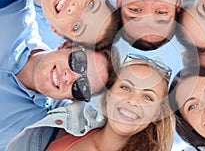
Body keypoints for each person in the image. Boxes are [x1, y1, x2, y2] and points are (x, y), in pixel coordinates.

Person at [0, 0, 115, 150]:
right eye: (78, 63)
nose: (70, 77)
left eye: (81, 88)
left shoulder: (26, 131)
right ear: (65, 45)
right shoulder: (14, 12)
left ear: (74, 99)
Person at [18, 54, 174, 151]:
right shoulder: (70, 122)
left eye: (148, 97)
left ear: (157, 113)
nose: (132, 101)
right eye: (125, 87)